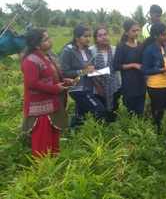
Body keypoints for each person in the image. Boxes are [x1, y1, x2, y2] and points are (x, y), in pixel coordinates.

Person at [21, 28, 71, 157]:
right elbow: (32, 83)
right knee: (42, 142)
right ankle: (42, 170)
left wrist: (64, 81)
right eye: (46, 39)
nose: (50, 40)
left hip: (52, 104)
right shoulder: (30, 60)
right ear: (37, 44)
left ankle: (52, 166)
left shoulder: (47, 56)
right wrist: (55, 89)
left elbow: (52, 76)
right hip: (39, 108)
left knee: (53, 136)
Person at [59, 25, 106, 127]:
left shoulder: (88, 50)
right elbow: (63, 72)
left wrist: (98, 71)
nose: (88, 39)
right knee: (99, 109)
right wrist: (82, 71)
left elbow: (89, 69)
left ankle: (74, 133)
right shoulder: (68, 51)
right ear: (77, 38)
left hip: (88, 87)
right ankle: (99, 132)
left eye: (89, 36)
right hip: (77, 89)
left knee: (81, 114)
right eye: (85, 36)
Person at [142, 23, 166, 138]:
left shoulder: (164, 47)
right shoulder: (149, 50)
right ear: (156, 36)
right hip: (155, 86)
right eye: (163, 35)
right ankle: (157, 136)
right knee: (158, 113)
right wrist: (161, 69)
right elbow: (145, 69)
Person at [114, 20, 146, 116]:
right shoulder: (121, 47)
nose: (136, 33)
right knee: (131, 112)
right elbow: (116, 65)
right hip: (129, 84)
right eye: (133, 31)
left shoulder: (140, 45)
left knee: (140, 111)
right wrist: (133, 65)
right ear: (126, 32)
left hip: (141, 83)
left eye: (137, 30)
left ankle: (139, 127)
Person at [90, 26, 121, 122]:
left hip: (114, 85)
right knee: (100, 113)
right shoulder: (91, 51)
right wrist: (98, 86)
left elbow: (118, 66)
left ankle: (112, 129)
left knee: (113, 110)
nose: (104, 37)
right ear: (96, 39)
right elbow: (88, 70)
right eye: (100, 35)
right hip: (97, 87)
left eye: (105, 34)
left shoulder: (115, 49)